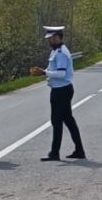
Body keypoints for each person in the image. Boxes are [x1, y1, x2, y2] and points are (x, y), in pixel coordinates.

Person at [30, 25, 86, 161]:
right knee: (68, 120)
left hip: (61, 91)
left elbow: (61, 73)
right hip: (62, 89)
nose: (49, 41)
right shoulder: (56, 51)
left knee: (57, 121)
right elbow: (54, 70)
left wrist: (44, 72)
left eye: (51, 39)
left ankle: (55, 153)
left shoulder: (60, 52)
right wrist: (44, 71)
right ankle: (79, 150)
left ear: (57, 38)